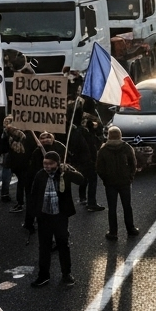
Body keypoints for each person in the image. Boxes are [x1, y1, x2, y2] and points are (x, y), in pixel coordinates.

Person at [25, 151, 84, 286]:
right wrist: (32, 217)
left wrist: (69, 170)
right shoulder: (40, 175)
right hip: (44, 217)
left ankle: (66, 274)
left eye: (50, 164)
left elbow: (81, 180)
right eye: (45, 163)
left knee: (63, 244)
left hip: (60, 216)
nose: (47, 166)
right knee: (44, 247)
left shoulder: (64, 174)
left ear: (57, 164)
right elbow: (33, 196)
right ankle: (43, 275)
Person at [96, 127, 138, 242]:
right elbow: (133, 164)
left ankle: (113, 232)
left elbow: (99, 168)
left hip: (110, 183)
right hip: (125, 182)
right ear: (120, 135)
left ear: (109, 136)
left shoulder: (103, 149)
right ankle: (131, 229)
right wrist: (130, 177)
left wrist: (105, 179)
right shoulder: (127, 147)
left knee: (112, 208)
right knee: (127, 206)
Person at [67, 112, 104, 211]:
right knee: (92, 180)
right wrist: (90, 159)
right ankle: (91, 203)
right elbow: (90, 145)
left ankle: (83, 197)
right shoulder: (82, 132)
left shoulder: (83, 131)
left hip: (84, 160)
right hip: (87, 160)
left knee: (85, 178)